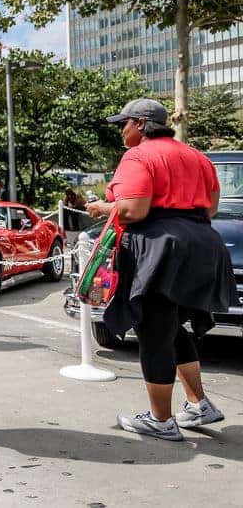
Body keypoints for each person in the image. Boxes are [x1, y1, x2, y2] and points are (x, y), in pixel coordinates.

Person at [86, 99, 234, 441]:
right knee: (171, 327)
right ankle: (199, 404)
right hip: (203, 245)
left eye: (124, 124)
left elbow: (133, 210)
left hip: (160, 248)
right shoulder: (197, 155)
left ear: (141, 124)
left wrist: (102, 206)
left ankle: (161, 420)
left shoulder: (137, 156)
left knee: (153, 331)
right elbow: (210, 207)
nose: (121, 130)